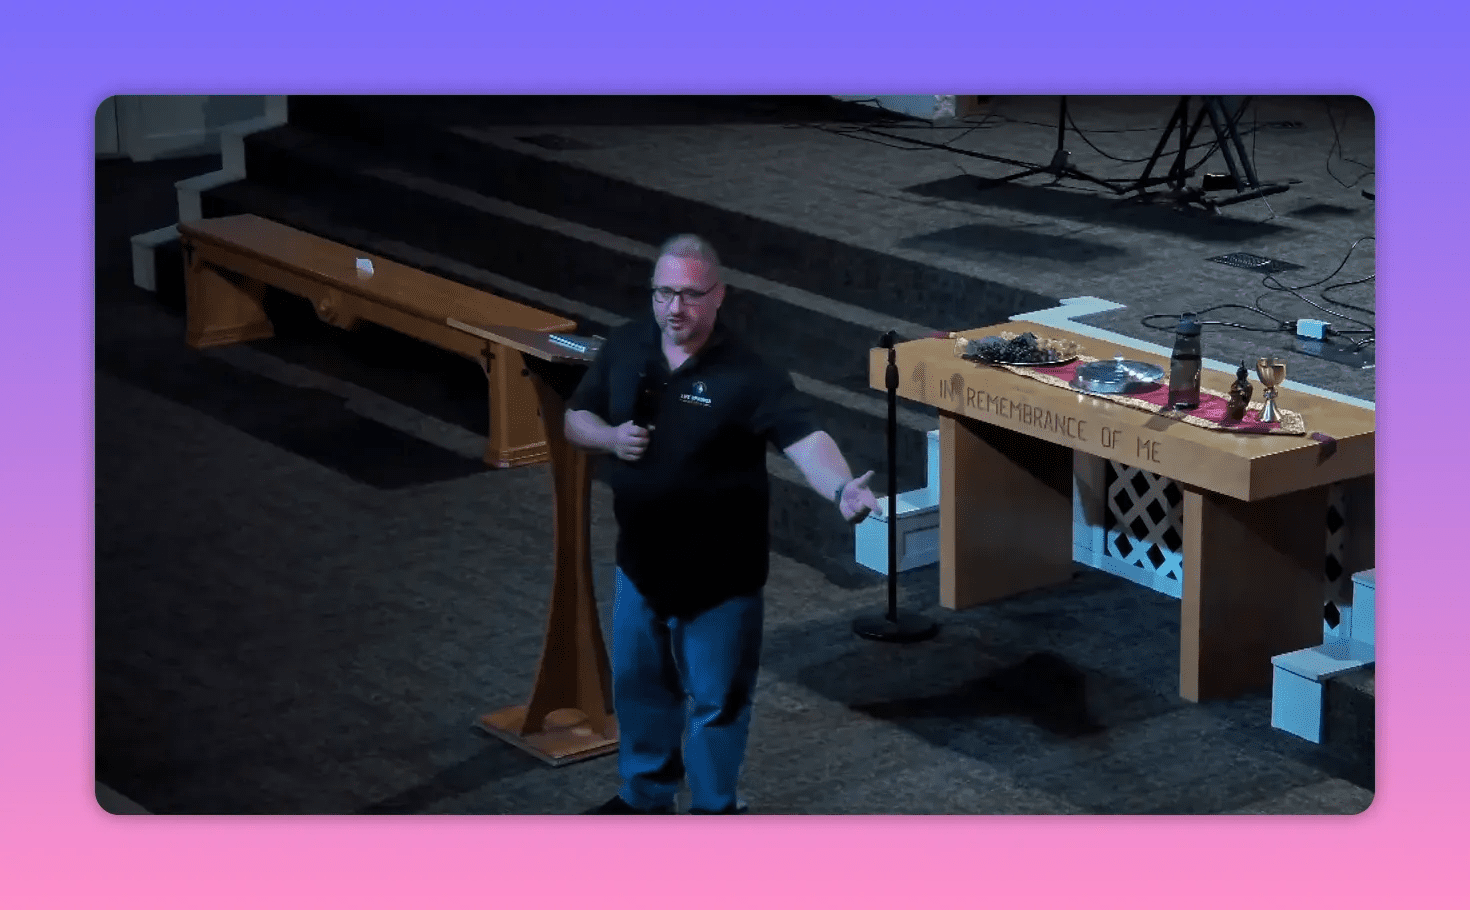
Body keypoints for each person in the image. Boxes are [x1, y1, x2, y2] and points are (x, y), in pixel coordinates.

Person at [564, 234, 882, 814]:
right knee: (640, 692)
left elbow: (806, 440)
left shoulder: (749, 374)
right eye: (664, 294)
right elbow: (576, 417)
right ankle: (643, 800)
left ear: (718, 297)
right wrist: (609, 436)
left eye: (689, 295)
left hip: (720, 581)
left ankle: (714, 814)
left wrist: (839, 487)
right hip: (639, 567)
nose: (674, 309)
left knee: (717, 704)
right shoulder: (626, 346)